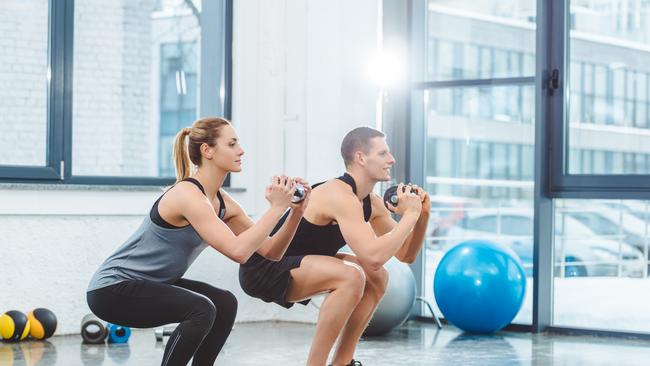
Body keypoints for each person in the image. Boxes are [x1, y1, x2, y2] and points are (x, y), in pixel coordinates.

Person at [86, 116, 310, 366]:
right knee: (202, 308)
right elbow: (238, 252)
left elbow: (270, 251)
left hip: (151, 283)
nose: (241, 150)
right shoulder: (187, 195)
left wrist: (295, 212)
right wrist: (276, 209)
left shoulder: (223, 203)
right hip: (113, 289)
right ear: (207, 150)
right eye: (232, 144)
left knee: (224, 303)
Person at [239, 126, 430, 366]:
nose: (391, 159)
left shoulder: (370, 202)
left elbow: (405, 254)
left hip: (303, 261)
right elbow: (373, 255)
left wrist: (422, 215)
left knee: (377, 276)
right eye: (383, 154)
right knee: (352, 276)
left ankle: (343, 361)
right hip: (264, 268)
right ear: (361, 157)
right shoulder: (338, 195)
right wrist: (410, 216)